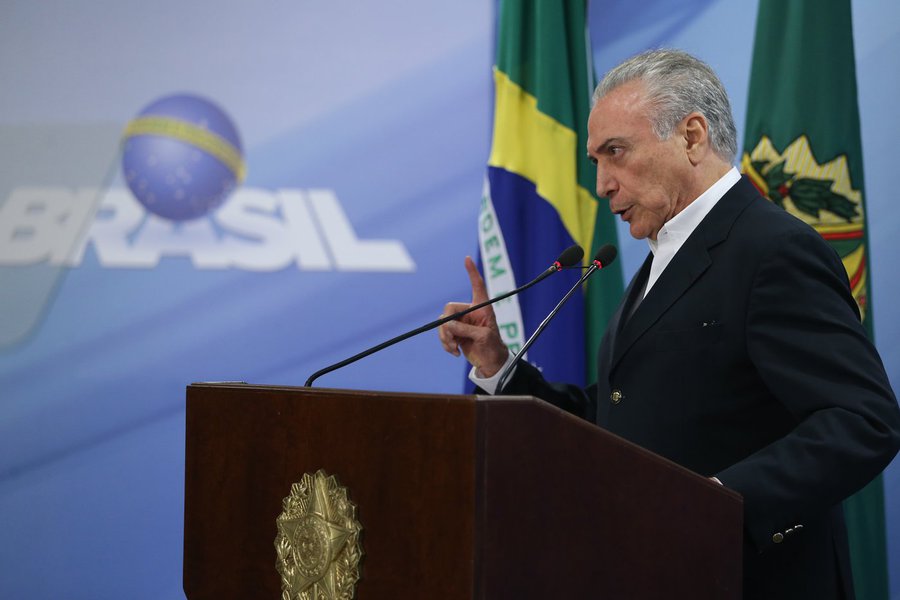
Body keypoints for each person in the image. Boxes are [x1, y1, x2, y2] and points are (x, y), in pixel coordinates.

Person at [438, 49, 900, 600]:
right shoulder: (662, 257)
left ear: (691, 137)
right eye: (596, 162)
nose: (603, 184)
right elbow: (612, 420)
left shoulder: (773, 249)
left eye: (616, 153)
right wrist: (496, 364)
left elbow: (862, 418)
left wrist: (718, 501)